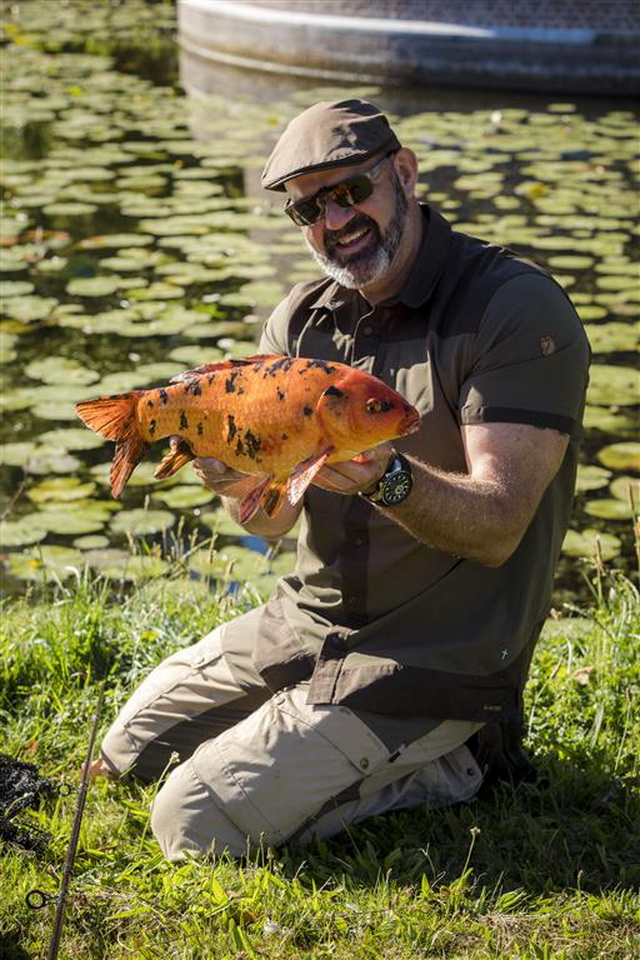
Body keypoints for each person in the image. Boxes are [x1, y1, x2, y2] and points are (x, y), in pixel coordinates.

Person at [91, 99, 590, 861]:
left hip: (432, 657)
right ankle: (310, 731)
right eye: (309, 208)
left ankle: (457, 759)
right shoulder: (300, 324)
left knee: (190, 820)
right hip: (307, 624)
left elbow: (498, 527)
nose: (334, 221)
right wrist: (231, 477)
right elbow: (270, 524)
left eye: (351, 191)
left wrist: (382, 477)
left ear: (404, 172)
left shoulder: (512, 307)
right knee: (125, 752)